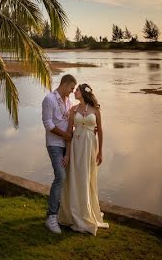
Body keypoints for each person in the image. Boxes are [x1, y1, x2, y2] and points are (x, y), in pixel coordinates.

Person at [58, 83, 109, 235]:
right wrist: (67, 154)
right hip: (76, 147)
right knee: (75, 177)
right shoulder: (73, 109)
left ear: (84, 93)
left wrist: (100, 152)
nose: (75, 92)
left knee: (87, 177)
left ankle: (86, 211)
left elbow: (99, 130)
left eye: (77, 90)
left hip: (90, 147)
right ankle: (74, 213)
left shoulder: (96, 110)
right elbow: (68, 133)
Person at [42, 74, 77, 234]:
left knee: (67, 178)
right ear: (65, 84)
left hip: (67, 145)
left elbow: (69, 124)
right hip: (54, 145)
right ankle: (51, 217)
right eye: (72, 88)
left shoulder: (69, 101)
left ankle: (63, 214)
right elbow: (47, 123)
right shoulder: (49, 99)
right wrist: (64, 135)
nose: (72, 91)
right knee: (60, 177)